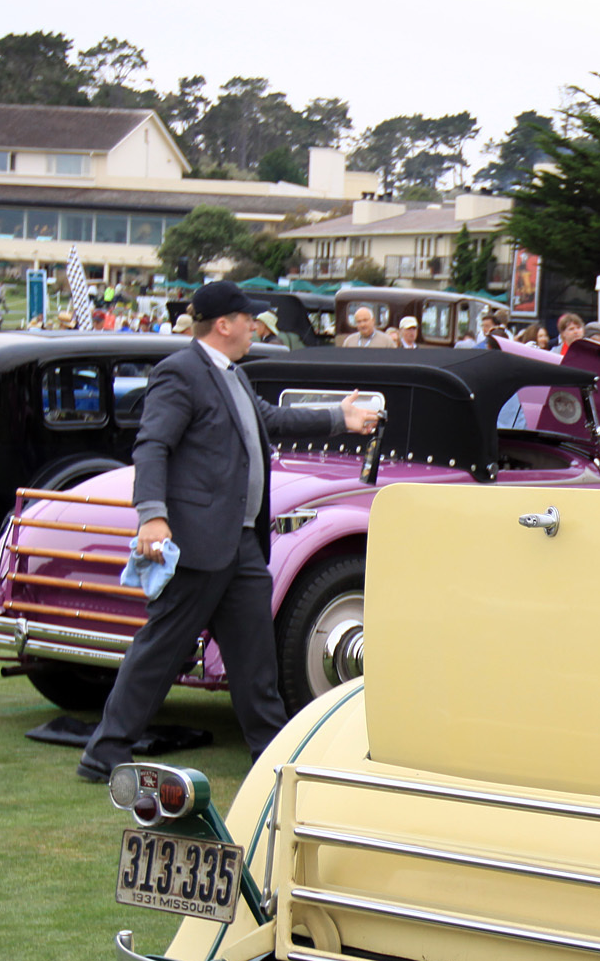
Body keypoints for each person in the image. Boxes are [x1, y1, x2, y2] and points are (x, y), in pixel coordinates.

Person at [76, 282, 380, 781]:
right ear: (223, 324)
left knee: (255, 656)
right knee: (161, 650)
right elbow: (152, 446)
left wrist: (339, 418)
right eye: (248, 319)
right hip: (198, 544)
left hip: (239, 545)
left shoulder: (232, 375)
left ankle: (271, 758)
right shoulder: (180, 373)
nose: (255, 327)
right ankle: (104, 755)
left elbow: (270, 421)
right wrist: (151, 514)